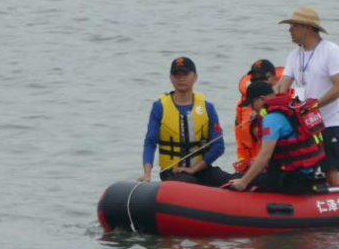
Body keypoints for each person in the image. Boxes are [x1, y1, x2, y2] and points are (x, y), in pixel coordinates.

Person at [272, 6, 339, 187]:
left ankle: (338, 204)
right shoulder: (294, 56)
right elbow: (281, 87)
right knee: (302, 167)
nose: (289, 30)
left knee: (331, 171)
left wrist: (314, 105)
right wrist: (262, 103)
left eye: (293, 26)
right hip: (305, 125)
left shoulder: (331, 51)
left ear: (307, 28)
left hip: (329, 122)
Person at [139, 56, 228, 185]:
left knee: (228, 180)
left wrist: (193, 169)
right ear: (171, 78)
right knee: (188, 182)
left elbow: (219, 146)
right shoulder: (159, 107)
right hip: (172, 173)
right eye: (176, 74)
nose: (181, 78)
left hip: (201, 169)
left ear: (195, 77)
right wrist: (147, 173)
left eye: (185, 74)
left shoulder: (208, 107)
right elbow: (150, 142)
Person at [226, 81, 326, 193]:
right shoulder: (290, 107)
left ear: (262, 99)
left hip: (291, 179)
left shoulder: (271, 118)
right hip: (307, 172)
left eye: (251, 104)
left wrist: (243, 182)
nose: (250, 108)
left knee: (236, 178)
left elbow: (265, 155)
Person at [232, 59, 285, 174]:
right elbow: (240, 138)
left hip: (275, 164)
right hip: (252, 164)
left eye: (262, 79)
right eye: (254, 79)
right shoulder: (243, 105)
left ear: (274, 78)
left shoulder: (286, 101)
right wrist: (243, 162)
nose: (257, 82)